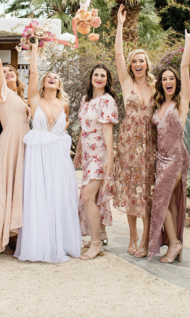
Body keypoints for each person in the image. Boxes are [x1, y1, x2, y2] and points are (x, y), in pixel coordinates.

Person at [15, 42, 81, 263]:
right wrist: (34, 49)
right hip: (38, 157)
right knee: (39, 195)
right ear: (43, 83)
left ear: (59, 84)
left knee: (58, 196)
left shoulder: (64, 105)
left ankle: (57, 243)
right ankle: (38, 245)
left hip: (58, 157)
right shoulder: (35, 100)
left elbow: (66, 125)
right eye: (48, 76)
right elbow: (32, 72)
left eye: (55, 76)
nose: (51, 77)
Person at [148, 29, 190, 263]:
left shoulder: (181, 103)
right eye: (164, 79)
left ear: (176, 83)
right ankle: (175, 242)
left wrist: (187, 42)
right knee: (170, 201)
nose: (168, 81)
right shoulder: (158, 104)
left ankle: (174, 244)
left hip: (176, 158)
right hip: (161, 158)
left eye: (172, 79)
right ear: (161, 84)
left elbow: (185, 69)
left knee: (160, 199)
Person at [113, 4, 157, 258]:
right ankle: (133, 237)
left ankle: (147, 239)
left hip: (150, 144)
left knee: (147, 191)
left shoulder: (155, 88)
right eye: (134, 61)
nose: (137, 64)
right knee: (132, 190)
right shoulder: (127, 82)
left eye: (141, 60)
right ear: (130, 66)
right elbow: (118, 54)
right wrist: (120, 25)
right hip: (129, 144)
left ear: (146, 64)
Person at [0, 21, 30, 254]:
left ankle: (17, 232)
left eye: (12, 72)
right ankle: (5, 237)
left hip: (25, 143)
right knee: (7, 187)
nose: (8, 73)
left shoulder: (21, 98)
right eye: (5, 71)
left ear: (18, 78)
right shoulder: (2, 93)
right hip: (10, 143)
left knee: (21, 188)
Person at [74, 63, 118, 261]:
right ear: (91, 77)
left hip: (99, 153)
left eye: (103, 75)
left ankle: (95, 243)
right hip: (86, 154)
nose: (99, 78)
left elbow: (108, 131)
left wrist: (110, 156)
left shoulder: (107, 101)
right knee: (93, 196)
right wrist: (78, 151)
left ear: (107, 80)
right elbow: (84, 128)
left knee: (87, 196)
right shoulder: (86, 100)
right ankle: (98, 234)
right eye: (96, 74)